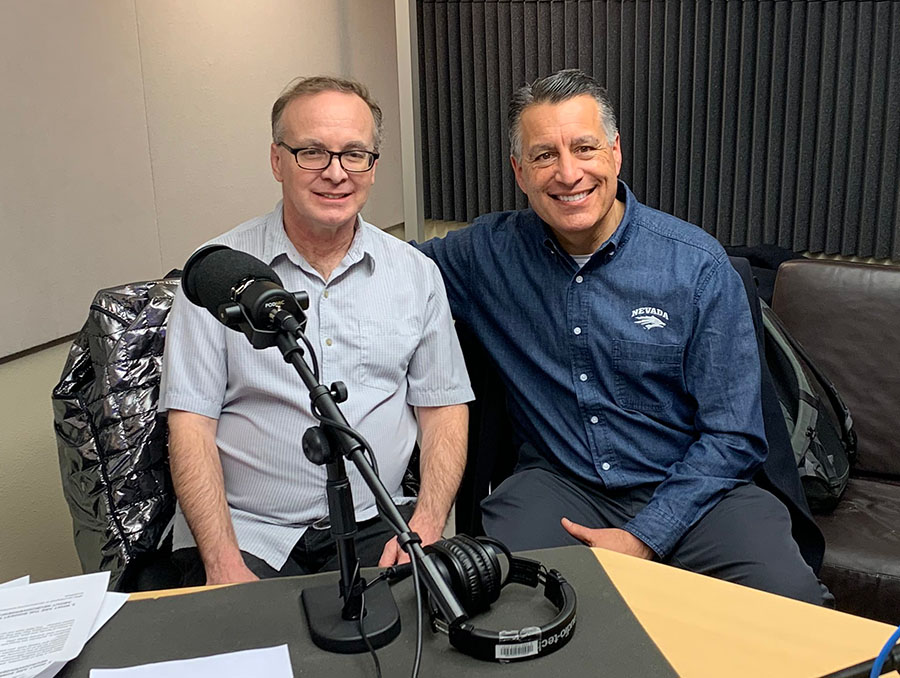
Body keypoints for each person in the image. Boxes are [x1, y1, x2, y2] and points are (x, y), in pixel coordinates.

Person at [418, 69, 830, 605]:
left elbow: (734, 437)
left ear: (614, 153)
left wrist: (644, 537)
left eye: (584, 148)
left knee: (791, 606)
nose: (568, 173)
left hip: (697, 488)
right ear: (520, 173)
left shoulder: (697, 268)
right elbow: (382, 270)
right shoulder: (486, 255)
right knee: (509, 608)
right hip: (559, 486)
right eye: (545, 156)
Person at [160, 76, 473, 586]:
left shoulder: (415, 274)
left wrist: (427, 524)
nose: (335, 173)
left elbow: (443, 409)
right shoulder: (215, 277)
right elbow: (191, 428)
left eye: (354, 154)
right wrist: (221, 562)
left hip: (379, 527)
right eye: (312, 153)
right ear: (276, 160)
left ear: (373, 166)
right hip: (248, 535)